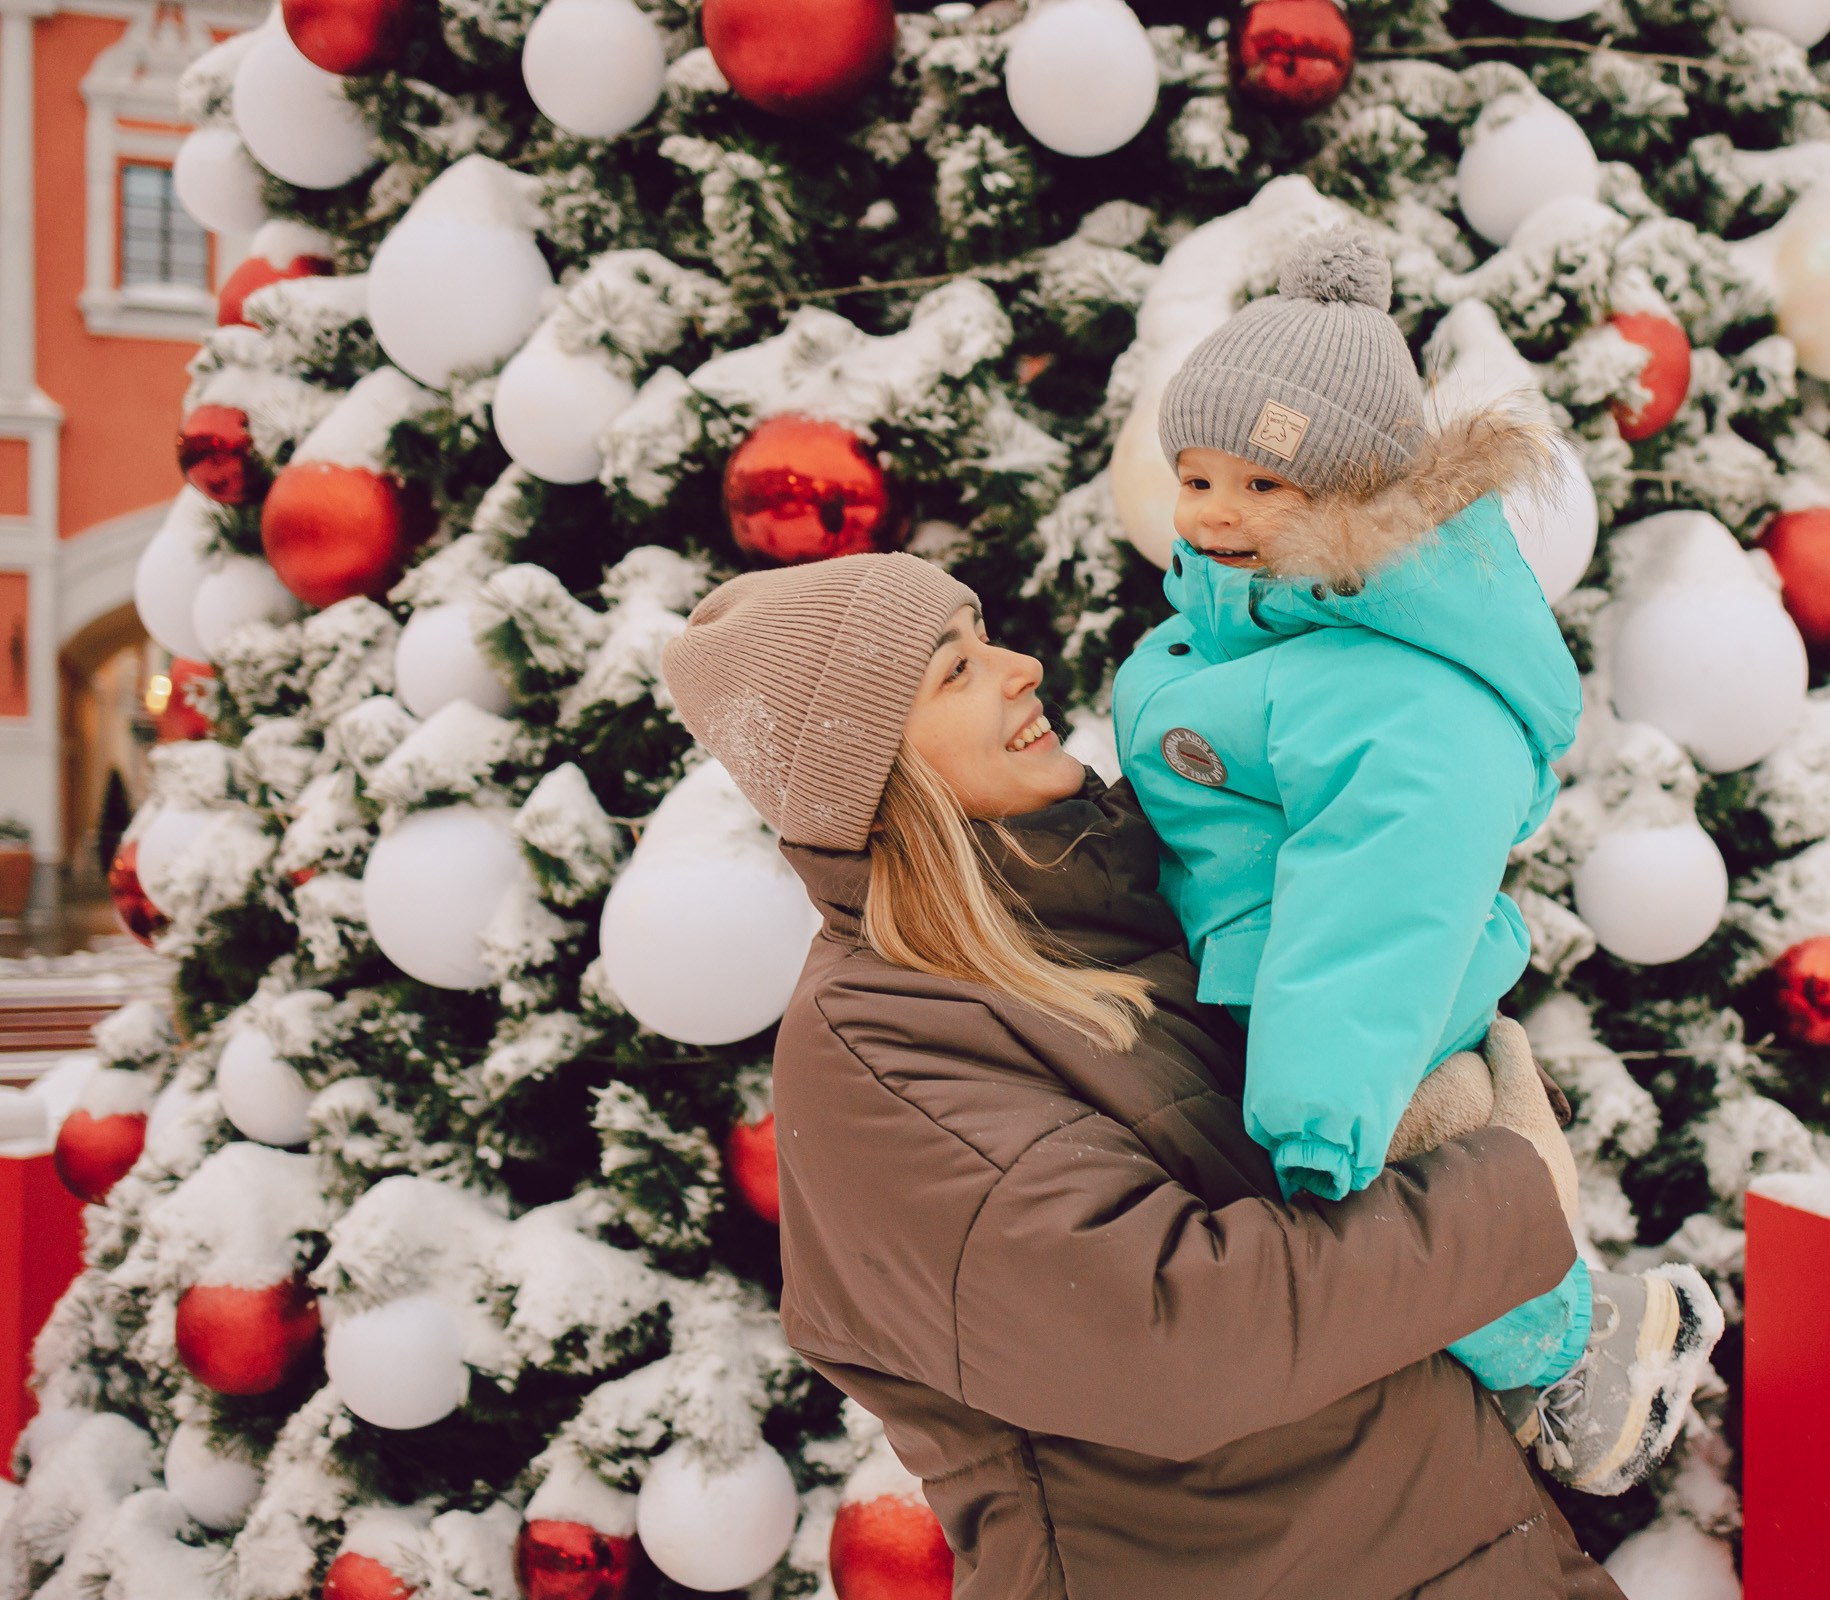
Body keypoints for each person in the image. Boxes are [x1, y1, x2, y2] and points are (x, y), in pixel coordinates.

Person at [661, 553, 1627, 1599]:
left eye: (986, 634)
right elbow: (1177, 1335)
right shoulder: (877, 1051)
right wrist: (1505, 1189)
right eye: (954, 669)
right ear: (871, 771)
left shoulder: (1114, 899)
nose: (1022, 666)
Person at [1114, 231, 1721, 1495]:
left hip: (1348, 1019)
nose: (1217, 511)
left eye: (1266, 488)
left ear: (1356, 501)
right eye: (1197, 476)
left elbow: (1378, 891)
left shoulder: (1391, 685)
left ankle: (1575, 1350)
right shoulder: (1245, 617)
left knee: (1405, 1181)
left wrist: (1323, 1101)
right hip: (1281, 987)